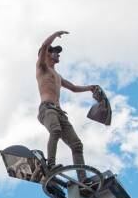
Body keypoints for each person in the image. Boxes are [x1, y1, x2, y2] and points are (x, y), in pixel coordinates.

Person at [35, 30, 102, 179]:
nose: (57, 55)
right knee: (56, 130)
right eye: (54, 52)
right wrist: (55, 34)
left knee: (77, 145)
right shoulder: (42, 68)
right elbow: (45, 45)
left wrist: (90, 88)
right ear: (46, 54)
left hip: (59, 112)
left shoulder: (57, 75)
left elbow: (73, 88)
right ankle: (50, 165)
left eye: (58, 53)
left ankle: (83, 179)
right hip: (47, 109)